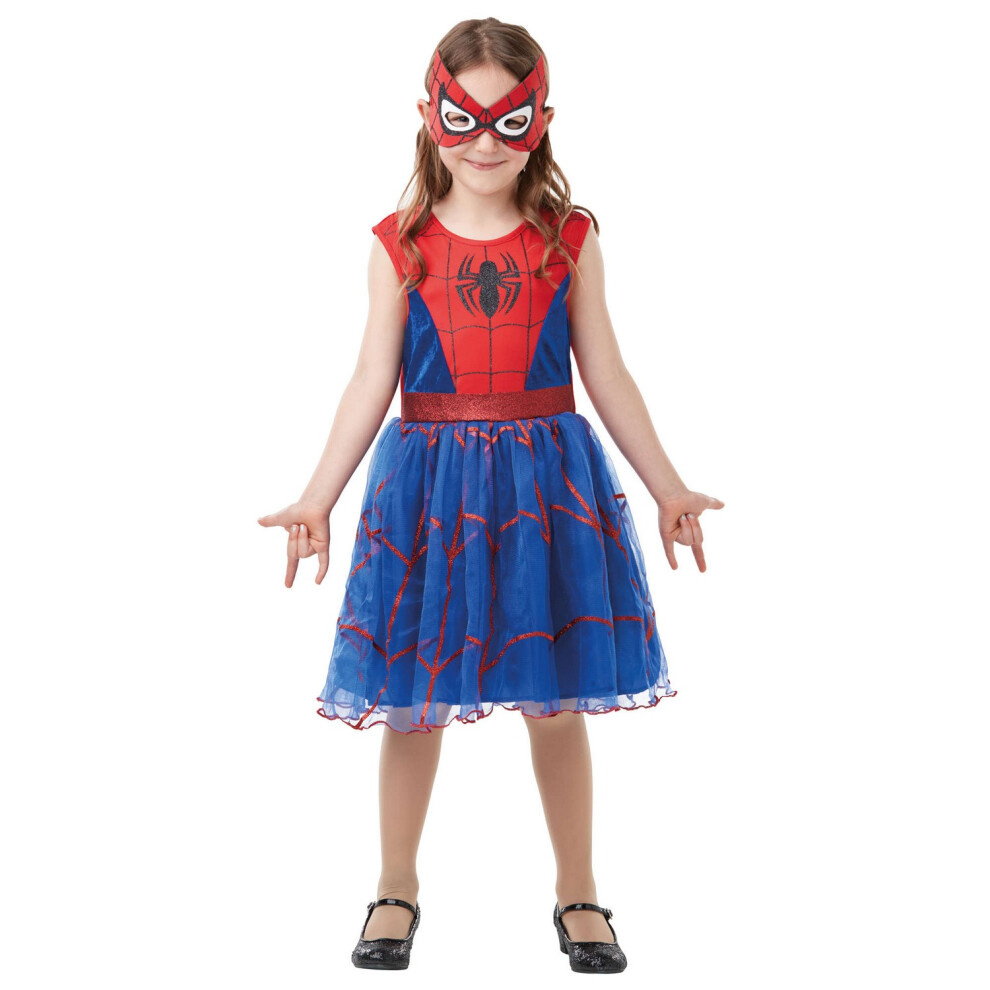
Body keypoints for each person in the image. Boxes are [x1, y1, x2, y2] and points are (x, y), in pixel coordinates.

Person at [258, 17, 724, 974]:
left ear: (541, 121)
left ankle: (579, 893)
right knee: (413, 704)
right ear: (427, 116)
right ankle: (396, 886)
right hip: (431, 496)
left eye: (507, 120)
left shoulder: (569, 238)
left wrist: (668, 485)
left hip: (545, 494)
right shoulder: (399, 246)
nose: (482, 141)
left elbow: (607, 372)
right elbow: (369, 378)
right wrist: (318, 497)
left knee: (555, 702)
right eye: (461, 116)